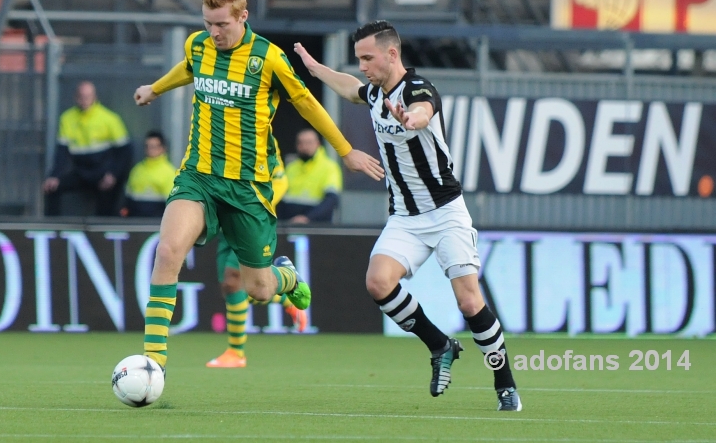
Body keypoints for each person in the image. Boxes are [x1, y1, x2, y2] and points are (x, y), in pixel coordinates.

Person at [133, 0, 384, 373]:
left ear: (243, 16)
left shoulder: (267, 58)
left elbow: (305, 103)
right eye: (208, 23)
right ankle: (152, 364)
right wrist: (156, 88)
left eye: (222, 24)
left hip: (248, 188)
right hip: (198, 176)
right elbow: (190, 67)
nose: (213, 33)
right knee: (167, 252)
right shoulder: (198, 46)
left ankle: (285, 275)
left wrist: (346, 150)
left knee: (260, 289)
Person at [294, 20, 522, 412]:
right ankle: (440, 346)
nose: (363, 65)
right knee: (378, 282)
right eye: (359, 59)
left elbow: (422, 110)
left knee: (469, 303)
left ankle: (505, 383)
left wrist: (412, 119)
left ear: (392, 54)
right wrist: (316, 69)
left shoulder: (417, 89)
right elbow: (351, 88)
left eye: (368, 58)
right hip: (405, 217)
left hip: (446, 211)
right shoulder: (374, 91)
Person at [207, 139, 308, 369]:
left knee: (234, 279)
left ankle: (236, 352)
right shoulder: (216, 130)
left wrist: (256, 207)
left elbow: (281, 182)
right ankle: (284, 297)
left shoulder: (261, 135)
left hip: (248, 218)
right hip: (225, 218)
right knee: (229, 285)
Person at [43, 81, 132, 216]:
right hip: (80, 172)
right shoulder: (67, 118)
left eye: (88, 97)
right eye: (82, 96)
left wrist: (113, 174)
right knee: (52, 188)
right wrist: (54, 176)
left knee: (108, 196)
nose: (85, 100)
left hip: (102, 172)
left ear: (95, 97)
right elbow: (62, 152)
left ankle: (102, 232)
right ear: (76, 97)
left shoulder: (109, 118)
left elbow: (124, 152)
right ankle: (53, 230)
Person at [277, 128, 342, 224]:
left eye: (309, 142)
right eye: (301, 143)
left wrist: (307, 218)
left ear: (318, 144)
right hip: (289, 224)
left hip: (317, 227)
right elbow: (281, 197)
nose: (304, 146)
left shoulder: (329, 167)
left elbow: (331, 200)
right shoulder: (291, 167)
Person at [123, 131, 178, 218]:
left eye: (153, 146)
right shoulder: (137, 170)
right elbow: (128, 198)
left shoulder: (169, 172)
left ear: (163, 148)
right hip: (134, 221)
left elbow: (173, 204)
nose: (150, 150)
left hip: (156, 223)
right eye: (147, 146)